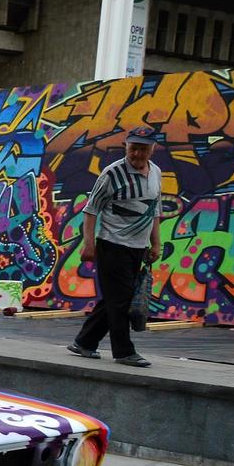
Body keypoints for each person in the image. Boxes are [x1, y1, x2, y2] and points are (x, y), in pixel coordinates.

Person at [69, 129, 162, 368]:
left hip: (137, 248)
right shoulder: (112, 174)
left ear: (153, 149)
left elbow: (154, 212)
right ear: (126, 146)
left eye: (143, 148)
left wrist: (155, 243)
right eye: (134, 148)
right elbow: (91, 210)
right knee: (120, 300)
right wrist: (88, 244)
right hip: (112, 245)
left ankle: (85, 341)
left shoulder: (156, 173)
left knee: (116, 297)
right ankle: (123, 351)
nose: (138, 153)